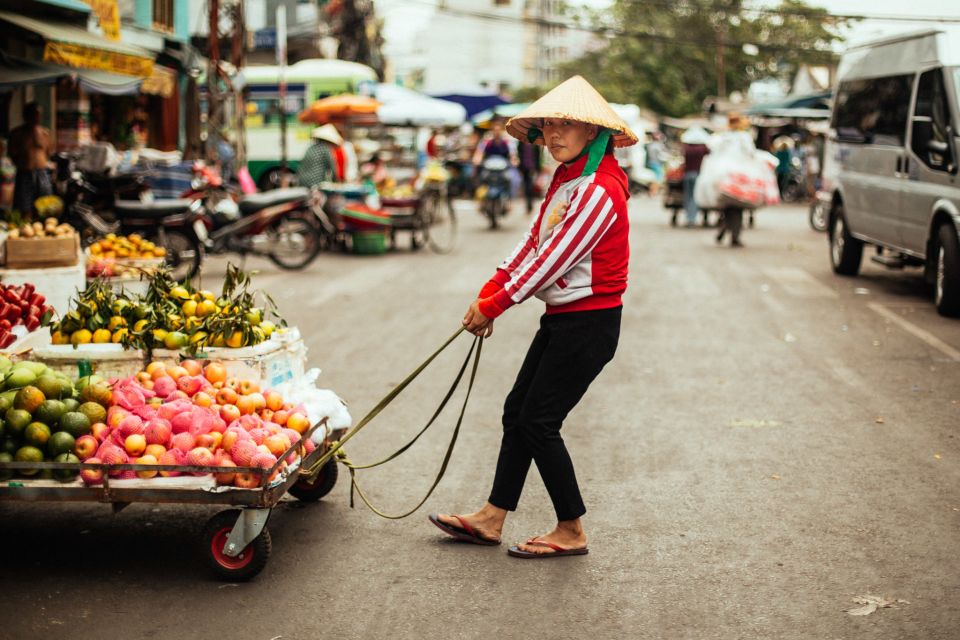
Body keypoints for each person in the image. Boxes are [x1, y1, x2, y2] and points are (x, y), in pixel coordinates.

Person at [429, 75, 636, 558]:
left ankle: (571, 529)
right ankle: (491, 517)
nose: (555, 133)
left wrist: (496, 304)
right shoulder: (569, 182)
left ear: (593, 132)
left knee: (539, 421)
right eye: (548, 124)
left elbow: (554, 259)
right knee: (517, 413)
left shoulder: (601, 188)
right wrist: (491, 288)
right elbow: (532, 245)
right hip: (563, 322)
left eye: (568, 124)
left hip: (590, 325)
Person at [714, 113, 755, 247]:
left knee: (728, 207)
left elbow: (715, 153)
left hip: (725, 176)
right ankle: (733, 236)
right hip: (739, 176)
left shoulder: (724, 137)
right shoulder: (743, 137)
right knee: (737, 207)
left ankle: (725, 231)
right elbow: (751, 153)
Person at [8, 102, 54, 215]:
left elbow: (48, 153)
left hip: (42, 173)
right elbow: (12, 153)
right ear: (26, 115)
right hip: (25, 173)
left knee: (45, 207)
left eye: (38, 114)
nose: (36, 117)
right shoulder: (17, 133)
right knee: (24, 207)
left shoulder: (45, 133)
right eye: (33, 114)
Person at [680, 126, 710, 227]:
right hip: (698, 174)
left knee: (688, 196)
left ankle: (689, 217)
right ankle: (691, 219)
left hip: (687, 174)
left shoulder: (686, 148)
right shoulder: (703, 148)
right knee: (695, 197)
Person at [517, 140, 542, 214]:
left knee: (530, 186)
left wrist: (538, 168)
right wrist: (520, 168)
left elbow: (538, 156)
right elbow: (519, 154)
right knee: (526, 186)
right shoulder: (521, 142)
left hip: (532, 168)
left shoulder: (535, 143)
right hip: (524, 168)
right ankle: (528, 204)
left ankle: (530, 204)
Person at [644, 131, 666, 196]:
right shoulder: (658, 145)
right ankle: (653, 191)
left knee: (654, 178)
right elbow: (661, 156)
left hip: (650, 163)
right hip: (656, 163)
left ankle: (652, 191)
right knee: (658, 179)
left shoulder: (649, 145)